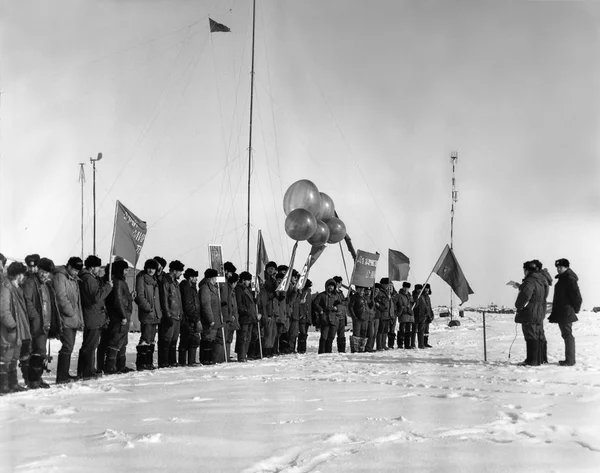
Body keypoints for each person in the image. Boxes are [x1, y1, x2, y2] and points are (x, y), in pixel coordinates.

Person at [21, 257, 56, 388]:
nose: (44, 274)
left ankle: (37, 379)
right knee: (36, 352)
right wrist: (35, 317)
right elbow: (27, 301)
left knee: (40, 353)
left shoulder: (45, 284)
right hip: (35, 324)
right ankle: (33, 381)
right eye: (42, 271)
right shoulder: (31, 282)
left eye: (47, 272)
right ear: (38, 270)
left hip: (44, 324)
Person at [77, 255, 113, 380]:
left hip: (93, 314)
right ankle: (87, 371)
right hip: (92, 315)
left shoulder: (89, 278)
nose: (99, 269)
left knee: (89, 344)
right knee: (90, 345)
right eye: (98, 267)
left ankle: (84, 370)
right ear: (92, 267)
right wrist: (108, 287)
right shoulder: (89, 279)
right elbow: (96, 297)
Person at [52, 257, 84, 384]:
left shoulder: (72, 279)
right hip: (65, 318)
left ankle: (64, 374)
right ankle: (62, 376)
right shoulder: (60, 277)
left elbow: (76, 301)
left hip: (72, 319)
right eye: (75, 270)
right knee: (67, 346)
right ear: (69, 267)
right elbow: (61, 298)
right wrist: (71, 313)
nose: (77, 273)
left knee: (69, 347)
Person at [0, 262, 31, 393]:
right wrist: (12, 325)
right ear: (18, 275)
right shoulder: (6, 288)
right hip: (9, 330)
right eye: (22, 274)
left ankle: (13, 384)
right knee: (5, 358)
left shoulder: (16, 288)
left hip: (18, 330)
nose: (23, 276)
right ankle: (3, 385)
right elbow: (3, 310)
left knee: (14, 357)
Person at [549, 258, 582, 366]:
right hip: (563, 311)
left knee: (567, 335)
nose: (558, 269)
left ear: (566, 267)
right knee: (566, 335)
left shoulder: (569, 278)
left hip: (566, 311)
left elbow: (577, 296)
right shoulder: (563, 278)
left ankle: (570, 360)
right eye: (557, 267)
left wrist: (575, 309)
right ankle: (569, 359)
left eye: (560, 267)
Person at [514, 261, 547, 366]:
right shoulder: (542, 279)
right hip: (540, 310)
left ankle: (532, 361)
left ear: (526, 270)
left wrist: (519, 306)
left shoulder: (530, 281)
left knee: (531, 335)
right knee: (538, 334)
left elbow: (525, 295)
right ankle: (540, 359)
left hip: (531, 311)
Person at [103, 260, 133, 374]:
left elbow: (123, 298)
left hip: (123, 315)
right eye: (125, 270)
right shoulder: (118, 282)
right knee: (115, 341)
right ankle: (110, 367)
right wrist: (123, 315)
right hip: (119, 317)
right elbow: (118, 300)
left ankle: (121, 365)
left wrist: (130, 297)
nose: (127, 272)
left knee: (123, 341)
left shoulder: (121, 281)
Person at [134, 258, 162, 370]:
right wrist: (148, 308)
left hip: (155, 314)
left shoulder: (155, 279)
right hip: (147, 313)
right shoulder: (141, 278)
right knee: (145, 338)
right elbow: (139, 296)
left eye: (153, 268)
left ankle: (148, 362)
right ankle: (142, 363)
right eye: (149, 268)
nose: (151, 270)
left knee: (151, 339)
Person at [158, 260, 184, 368]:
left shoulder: (176, 283)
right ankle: (164, 362)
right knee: (166, 340)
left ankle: (172, 361)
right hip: (170, 315)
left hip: (177, 315)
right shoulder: (166, 282)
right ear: (174, 271)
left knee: (174, 340)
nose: (181, 274)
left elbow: (178, 300)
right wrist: (167, 315)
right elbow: (164, 299)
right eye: (179, 271)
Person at [199, 268, 222, 364]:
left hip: (215, 318)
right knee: (207, 339)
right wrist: (210, 319)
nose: (215, 280)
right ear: (209, 278)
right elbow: (205, 305)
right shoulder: (205, 288)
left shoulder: (213, 288)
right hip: (209, 320)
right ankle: (205, 359)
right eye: (213, 278)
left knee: (211, 340)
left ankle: (210, 359)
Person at [179, 268, 202, 366]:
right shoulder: (187, 288)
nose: (196, 279)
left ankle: (185, 361)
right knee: (190, 340)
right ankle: (187, 361)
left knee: (189, 339)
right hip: (188, 318)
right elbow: (188, 305)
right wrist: (196, 319)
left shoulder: (191, 288)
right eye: (194, 277)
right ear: (190, 278)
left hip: (190, 317)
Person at [235, 271, 258, 362]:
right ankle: (241, 356)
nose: (249, 282)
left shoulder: (248, 289)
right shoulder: (239, 289)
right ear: (243, 280)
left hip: (250, 317)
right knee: (242, 337)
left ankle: (244, 354)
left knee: (248, 338)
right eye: (248, 280)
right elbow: (239, 303)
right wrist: (245, 311)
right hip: (244, 317)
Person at [313, 279, 340, 354]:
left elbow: (341, 304)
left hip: (334, 319)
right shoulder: (322, 295)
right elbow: (315, 303)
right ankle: (322, 352)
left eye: (332, 286)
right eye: (329, 285)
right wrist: (320, 310)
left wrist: (337, 308)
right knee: (324, 337)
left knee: (331, 337)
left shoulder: (336, 296)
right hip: (325, 318)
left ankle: (328, 352)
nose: (331, 287)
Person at [220, 271, 239, 361]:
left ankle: (226, 356)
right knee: (226, 338)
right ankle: (224, 357)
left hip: (232, 318)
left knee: (229, 339)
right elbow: (227, 304)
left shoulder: (231, 291)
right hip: (228, 318)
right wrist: (229, 316)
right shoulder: (225, 289)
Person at [375, 278, 394, 350]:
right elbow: (381, 302)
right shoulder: (380, 292)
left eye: (388, 284)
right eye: (386, 284)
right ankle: (379, 345)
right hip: (382, 313)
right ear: (382, 284)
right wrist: (387, 299)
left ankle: (383, 344)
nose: (387, 286)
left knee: (385, 330)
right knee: (381, 330)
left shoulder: (387, 292)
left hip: (387, 314)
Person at [348, 286, 368, 353]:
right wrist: (354, 317)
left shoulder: (365, 297)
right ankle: (355, 350)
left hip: (364, 318)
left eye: (363, 289)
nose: (362, 290)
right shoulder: (354, 297)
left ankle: (361, 349)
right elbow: (350, 307)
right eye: (360, 289)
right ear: (357, 289)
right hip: (357, 318)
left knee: (363, 334)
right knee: (356, 335)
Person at [396, 282, 414, 349]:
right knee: (402, 330)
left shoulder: (410, 296)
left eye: (407, 288)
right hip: (403, 315)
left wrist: (414, 301)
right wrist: (406, 310)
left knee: (408, 330)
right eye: (405, 287)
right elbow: (400, 305)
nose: (406, 289)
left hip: (409, 316)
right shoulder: (400, 295)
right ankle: (400, 344)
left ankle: (407, 344)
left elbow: (412, 305)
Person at [415, 283, 434, 348]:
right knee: (422, 330)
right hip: (423, 315)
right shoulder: (421, 296)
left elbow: (429, 307)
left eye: (428, 288)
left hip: (428, 315)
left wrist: (431, 314)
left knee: (426, 331)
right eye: (426, 288)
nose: (427, 289)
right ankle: (421, 343)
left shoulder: (428, 297)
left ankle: (426, 342)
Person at [332, 276, 348, 353]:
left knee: (341, 335)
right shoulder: (333, 293)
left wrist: (346, 300)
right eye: (340, 283)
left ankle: (341, 349)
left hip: (342, 316)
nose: (341, 284)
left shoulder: (340, 293)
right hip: (336, 316)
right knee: (331, 334)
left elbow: (343, 302)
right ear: (337, 283)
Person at [297, 279, 312, 354]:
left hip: (306, 316)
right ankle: (301, 348)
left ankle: (302, 348)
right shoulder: (301, 292)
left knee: (304, 333)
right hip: (302, 316)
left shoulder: (307, 292)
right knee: (302, 333)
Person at [364, 285, 378, 352]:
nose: (368, 292)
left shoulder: (372, 299)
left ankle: (369, 347)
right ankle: (364, 347)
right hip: (365, 318)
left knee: (371, 334)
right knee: (365, 334)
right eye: (367, 291)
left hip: (371, 318)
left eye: (369, 291)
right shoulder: (363, 299)